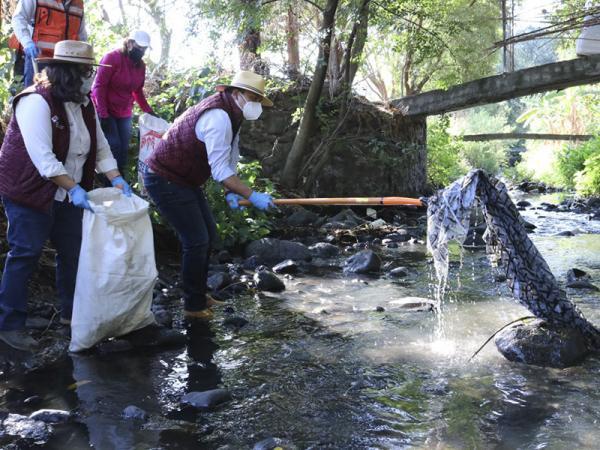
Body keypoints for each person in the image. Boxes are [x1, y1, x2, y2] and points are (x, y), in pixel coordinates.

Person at [0, 40, 132, 352]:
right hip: (29, 190)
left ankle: (73, 316)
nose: (91, 77)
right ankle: (9, 324)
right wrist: (74, 189)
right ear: (67, 73)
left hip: (70, 192)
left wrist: (116, 178)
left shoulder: (84, 103)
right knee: (25, 253)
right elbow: (44, 159)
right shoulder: (35, 102)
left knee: (73, 252)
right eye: (86, 72)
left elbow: (99, 147)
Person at [143, 70, 275, 320]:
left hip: (184, 180)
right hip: (164, 177)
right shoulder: (218, 116)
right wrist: (251, 194)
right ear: (236, 94)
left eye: (259, 99)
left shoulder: (233, 114)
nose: (256, 104)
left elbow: (229, 158)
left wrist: (230, 191)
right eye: (252, 97)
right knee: (196, 240)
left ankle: (199, 294)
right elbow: (220, 170)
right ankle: (193, 306)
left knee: (208, 236)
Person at [92, 30, 155, 178]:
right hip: (106, 109)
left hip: (124, 111)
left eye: (144, 49)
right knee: (113, 146)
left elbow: (137, 91)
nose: (141, 51)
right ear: (129, 43)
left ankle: (120, 181)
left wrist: (149, 111)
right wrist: (103, 114)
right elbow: (99, 87)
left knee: (123, 149)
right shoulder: (112, 58)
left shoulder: (141, 66)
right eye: (139, 47)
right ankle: (109, 181)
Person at [11, 0, 87, 87]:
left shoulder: (78, 3)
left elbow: (81, 35)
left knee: (64, 99)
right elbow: (18, 18)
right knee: (36, 97)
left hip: (68, 65)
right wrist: (27, 42)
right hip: (39, 61)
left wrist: (84, 59)